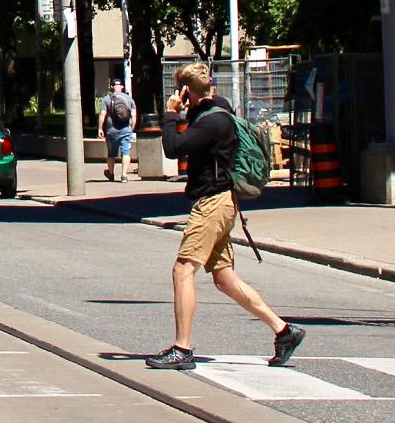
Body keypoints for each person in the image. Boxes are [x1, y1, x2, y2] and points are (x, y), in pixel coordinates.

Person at [150, 62, 303, 371]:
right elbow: (203, 111)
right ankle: (284, 331)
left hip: (212, 205)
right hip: (223, 203)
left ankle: (182, 349)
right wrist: (191, 103)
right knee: (225, 278)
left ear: (186, 92)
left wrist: (170, 113)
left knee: (182, 270)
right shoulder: (220, 110)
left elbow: (173, 147)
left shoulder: (211, 124)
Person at [101, 82, 139, 182]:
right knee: (126, 152)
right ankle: (124, 176)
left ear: (112, 87)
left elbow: (102, 114)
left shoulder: (107, 99)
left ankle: (111, 173)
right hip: (126, 130)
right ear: (122, 87)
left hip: (111, 130)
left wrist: (100, 128)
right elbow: (134, 115)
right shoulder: (129, 99)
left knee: (111, 153)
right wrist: (132, 128)